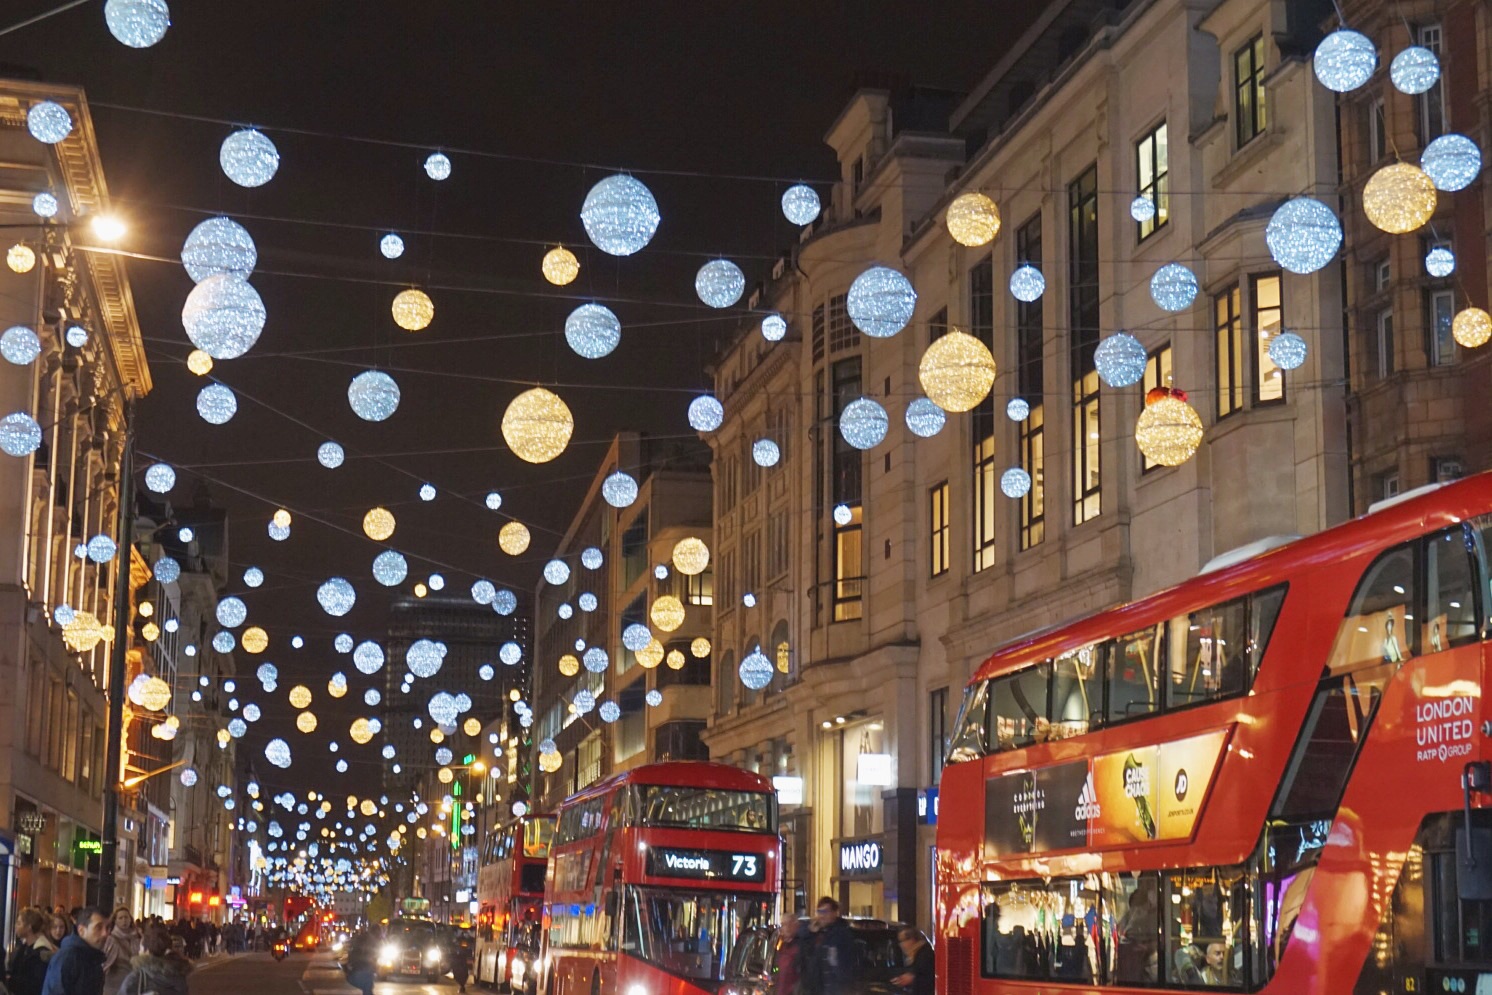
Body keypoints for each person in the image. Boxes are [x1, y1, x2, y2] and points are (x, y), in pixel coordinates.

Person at [41, 905, 110, 995]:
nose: (105, 933)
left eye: (108, 928)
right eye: (98, 928)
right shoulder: (68, 957)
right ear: (81, 930)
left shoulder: (92, 958)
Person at [116, 923, 190, 995]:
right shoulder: (179, 974)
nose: (139, 951)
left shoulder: (137, 977)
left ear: (147, 950)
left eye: (141, 948)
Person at [807, 898, 860, 995]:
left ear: (835, 913)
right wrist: (812, 933)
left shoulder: (842, 935)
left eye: (825, 911)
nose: (822, 916)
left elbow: (845, 968)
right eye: (819, 911)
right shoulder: (819, 934)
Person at [8, 908, 57, 995]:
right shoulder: (23, 947)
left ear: (29, 927)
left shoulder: (41, 952)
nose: (16, 926)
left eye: (19, 923)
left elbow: (34, 984)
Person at [103, 907, 141, 993]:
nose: (124, 920)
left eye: (126, 917)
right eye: (120, 918)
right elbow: (106, 961)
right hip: (114, 984)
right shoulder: (111, 939)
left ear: (130, 919)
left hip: (133, 982)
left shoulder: (136, 937)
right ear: (115, 921)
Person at [892, 927, 934, 995]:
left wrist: (912, 979)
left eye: (903, 941)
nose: (901, 945)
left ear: (912, 940)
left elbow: (930, 979)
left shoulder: (925, 955)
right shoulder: (916, 954)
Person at [773, 919, 807, 995]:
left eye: (784, 925)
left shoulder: (799, 948)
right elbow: (777, 968)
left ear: (792, 926)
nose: (782, 928)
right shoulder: (783, 946)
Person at [343, 930, 376, 995]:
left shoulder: (355, 950)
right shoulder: (369, 951)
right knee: (367, 985)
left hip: (356, 974)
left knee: (367, 985)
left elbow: (350, 963)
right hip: (361, 974)